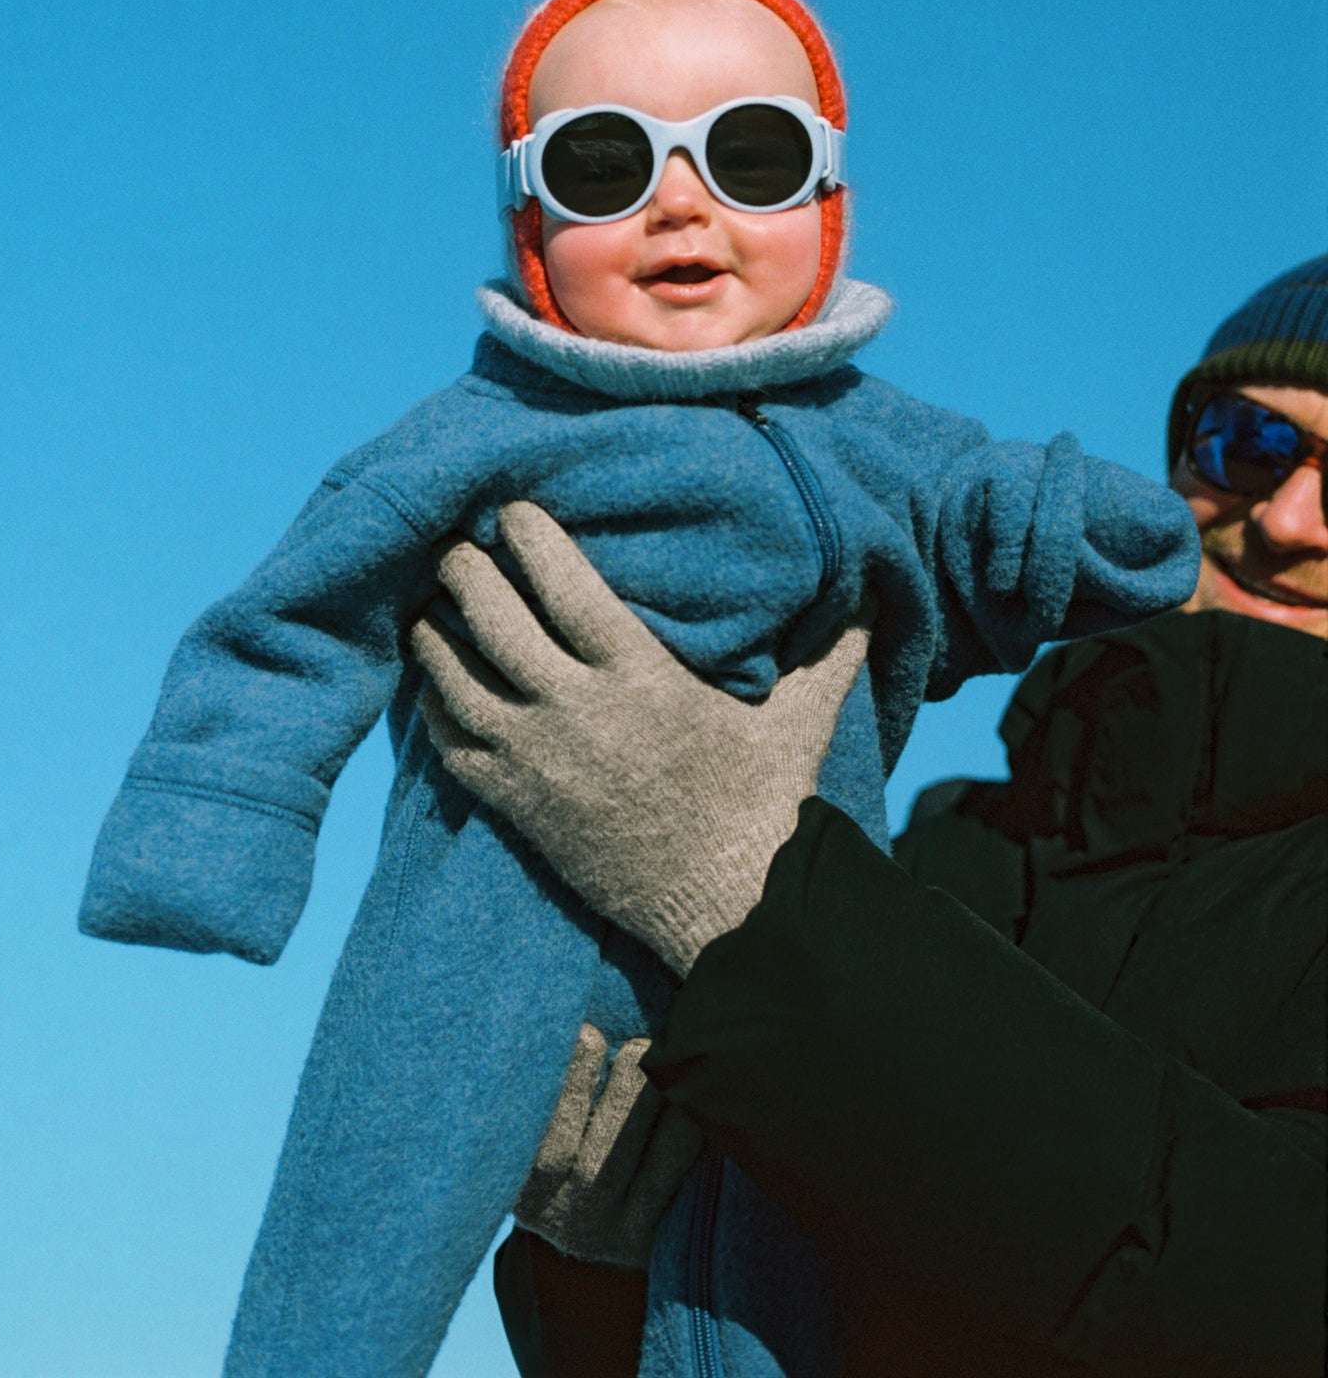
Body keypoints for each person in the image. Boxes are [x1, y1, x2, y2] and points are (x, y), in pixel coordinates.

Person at [78, 0, 1199, 1378]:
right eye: (605, 164)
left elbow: (985, 515)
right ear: (530, 219)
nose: (682, 202)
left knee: (782, 1261)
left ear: (828, 204)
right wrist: (214, 831)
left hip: (792, 923)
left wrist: (1076, 531)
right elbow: (297, 619)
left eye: (752, 155)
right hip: (485, 908)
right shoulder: (477, 433)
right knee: (378, 1193)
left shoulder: (870, 430)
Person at [418, 252, 1328, 1378]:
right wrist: (613, 1273)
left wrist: (747, 907)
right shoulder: (947, 855)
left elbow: (1269, 1293)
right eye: (1252, 442)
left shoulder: (839, 910)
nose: (1287, 517)